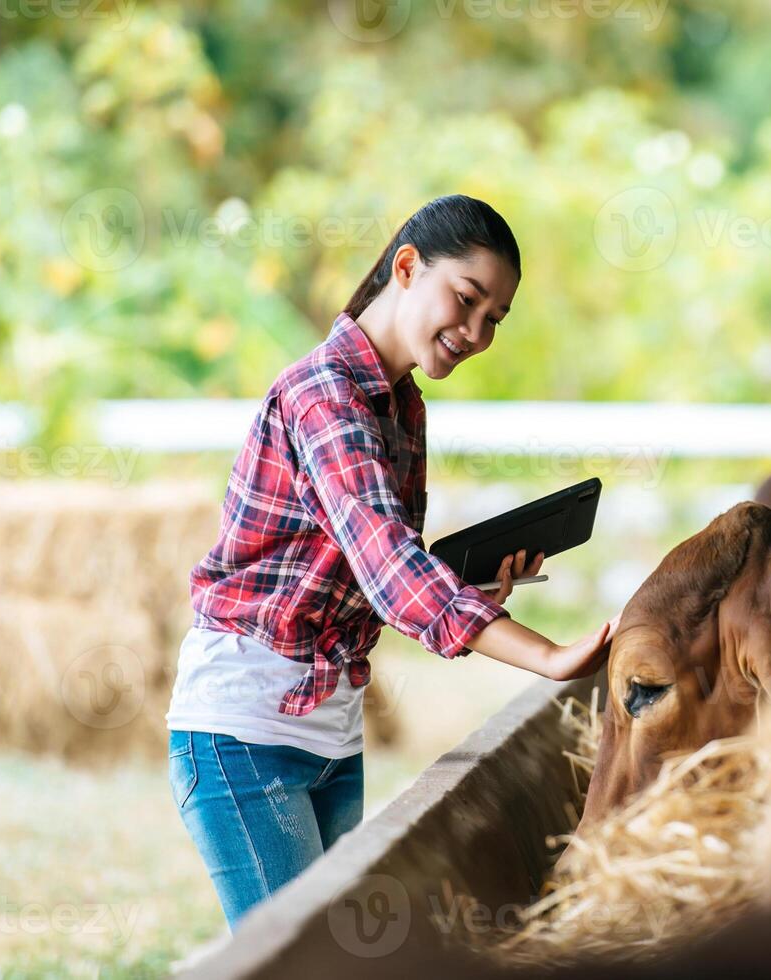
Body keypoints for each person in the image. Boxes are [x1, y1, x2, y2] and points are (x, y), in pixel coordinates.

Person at [165, 194, 613, 929]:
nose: (474, 332)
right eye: (467, 299)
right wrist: (549, 655)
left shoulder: (404, 408)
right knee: (294, 962)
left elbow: (362, 570)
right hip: (243, 731)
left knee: (329, 953)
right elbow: (390, 566)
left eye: (494, 319)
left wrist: (470, 580)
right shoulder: (324, 396)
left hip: (331, 730)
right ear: (407, 266)